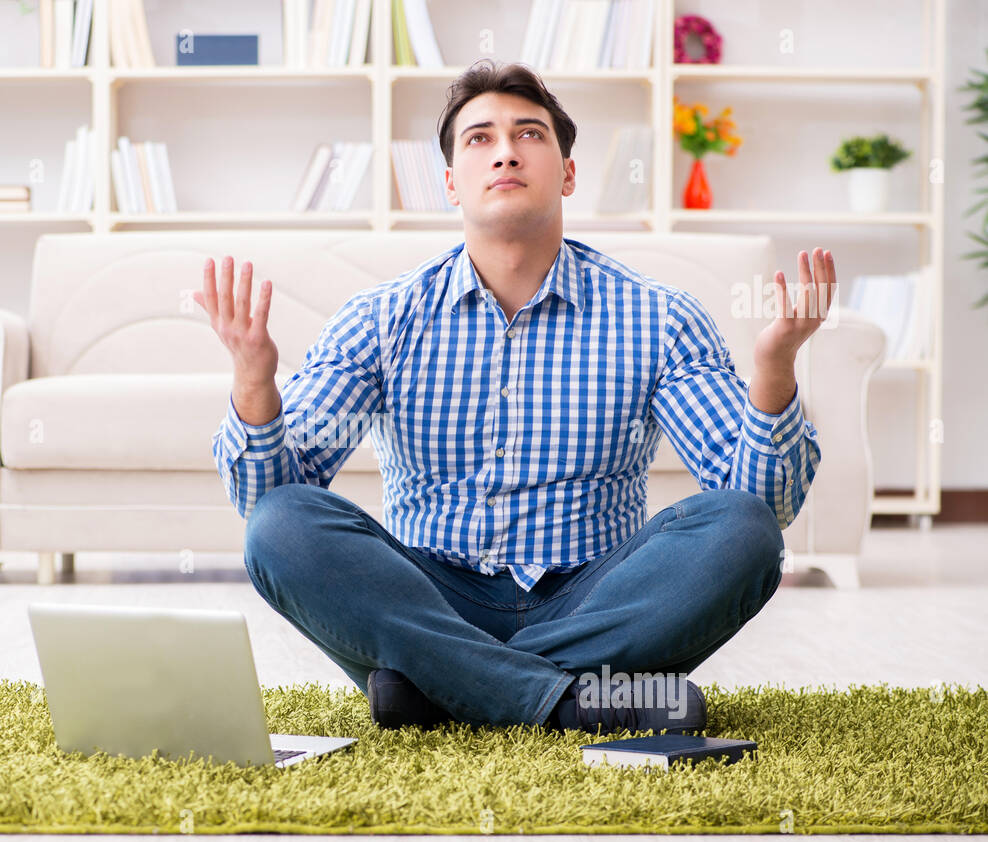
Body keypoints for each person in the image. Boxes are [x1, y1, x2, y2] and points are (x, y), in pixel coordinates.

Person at [198, 59, 831, 735]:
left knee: (741, 531)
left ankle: (441, 691)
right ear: (450, 183)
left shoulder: (658, 317)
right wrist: (255, 382)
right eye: (479, 139)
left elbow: (763, 504)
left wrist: (774, 369)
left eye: (529, 134)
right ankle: (568, 701)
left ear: (567, 172)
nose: (504, 151)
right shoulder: (381, 318)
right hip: (431, 600)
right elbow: (271, 497)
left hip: (593, 602)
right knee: (282, 525)